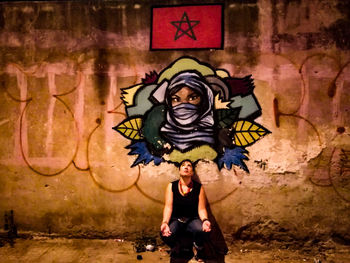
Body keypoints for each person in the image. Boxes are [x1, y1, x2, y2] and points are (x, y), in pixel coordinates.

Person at [160, 160, 211, 261]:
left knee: (202, 230)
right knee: (165, 233)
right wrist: (165, 222)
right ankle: (177, 246)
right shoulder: (172, 186)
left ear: (192, 172)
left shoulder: (198, 188)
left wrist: (205, 220)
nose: (186, 167)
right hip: (176, 220)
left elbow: (201, 209)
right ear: (179, 171)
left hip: (192, 219)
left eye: (189, 166)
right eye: (183, 165)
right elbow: (168, 207)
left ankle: (198, 247)